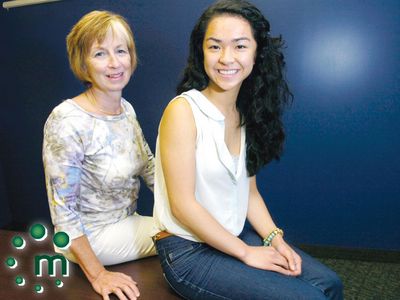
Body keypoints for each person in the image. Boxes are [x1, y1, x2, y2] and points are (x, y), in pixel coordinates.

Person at [152, 0, 343, 299]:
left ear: (257, 53)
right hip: (187, 251)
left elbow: (249, 193)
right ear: (201, 52)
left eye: (240, 46)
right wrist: (246, 253)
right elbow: (182, 205)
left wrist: (274, 239)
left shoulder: (245, 113)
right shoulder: (183, 111)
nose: (226, 58)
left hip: (233, 234)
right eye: (214, 46)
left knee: (330, 284)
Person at [43, 11, 156, 300]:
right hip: (88, 240)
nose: (114, 63)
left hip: (127, 223)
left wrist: (189, 204)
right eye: (100, 53)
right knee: (192, 233)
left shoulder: (126, 109)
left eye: (121, 51)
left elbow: (150, 168)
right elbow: (63, 215)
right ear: (83, 63)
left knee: (197, 223)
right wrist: (99, 274)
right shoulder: (66, 120)